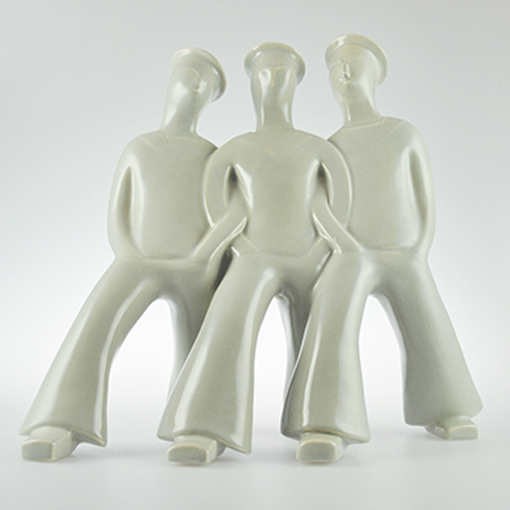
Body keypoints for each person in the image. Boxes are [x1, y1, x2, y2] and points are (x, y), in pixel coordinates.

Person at [20, 48, 245, 462]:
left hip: (196, 267)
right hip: (137, 262)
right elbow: (118, 214)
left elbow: (232, 212)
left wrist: (204, 256)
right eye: (189, 75)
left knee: (204, 342)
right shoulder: (140, 148)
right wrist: (128, 253)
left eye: (206, 84)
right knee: (94, 325)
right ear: (170, 83)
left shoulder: (212, 156)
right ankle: (63, 418)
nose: (195, 86)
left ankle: (200, 426)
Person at [281, 35, 483, 463]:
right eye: (336, 67)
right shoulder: (331, 145)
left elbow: (424, 197)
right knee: (331, 320)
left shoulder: (402, 133)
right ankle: (326, 421)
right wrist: (343, 245)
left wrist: (419, 246)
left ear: (376, 75)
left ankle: (446, 406)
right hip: (350, 253)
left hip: (404, 251)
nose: (343, 72)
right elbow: (319, 204)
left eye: (353, 63)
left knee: (427, 319)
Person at [157, 42, 352, 464]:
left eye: (282, 74)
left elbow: (334, 204)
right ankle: (203, 426)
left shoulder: (316, 148)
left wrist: (322, 249)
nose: (272, 83)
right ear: (251, 85)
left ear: (296, 85)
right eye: (264, 74)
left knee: (326, 318)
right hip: (253, 257)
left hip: (311, 257)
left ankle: (323, 423)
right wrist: (241, 249)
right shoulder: (234, 150)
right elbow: (223, 209)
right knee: (227, 318)